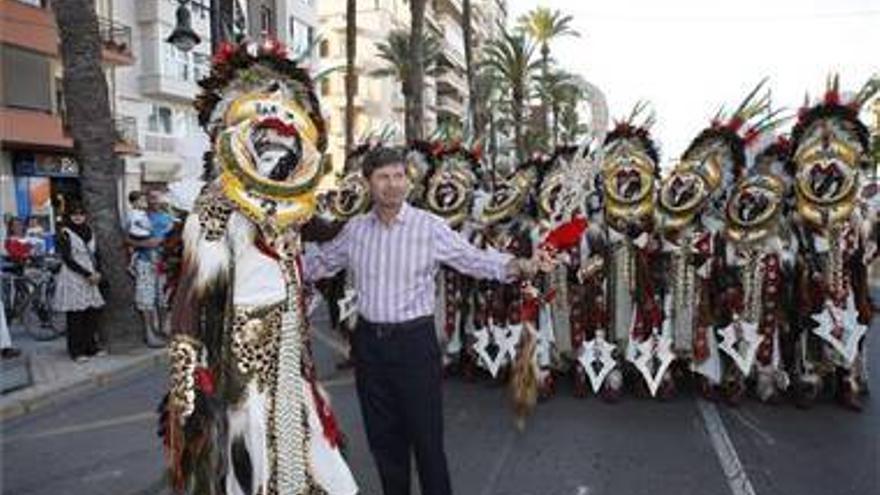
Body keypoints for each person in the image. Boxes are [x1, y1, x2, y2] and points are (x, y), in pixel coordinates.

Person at [303, 146, 553, 495]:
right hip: (369, 347)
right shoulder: (355, 230)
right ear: (369, 183)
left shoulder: (429, 227)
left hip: (414, 345)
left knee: (427, 442)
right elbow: (318, 265)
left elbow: (475, 261)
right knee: (383, 441)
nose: (392, 185)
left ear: (408, 180)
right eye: (383, 178)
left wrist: (519, 265)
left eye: (398, 176)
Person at [52, 204, 104, 363]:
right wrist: (87, 274)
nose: (78, 216)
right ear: (69, 216)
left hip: (91, 276)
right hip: (73, 276)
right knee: (75, 315)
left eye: (81, 213)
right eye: (74, 214)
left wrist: (97, 272)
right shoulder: (65, 233)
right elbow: (67, 259)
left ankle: (91, 347)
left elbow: (97, 254)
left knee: (91, 313)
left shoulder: (90, 231)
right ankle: (76, 351)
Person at [127, 190, 164, 347]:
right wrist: (145, 244)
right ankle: (149, 334)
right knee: (146, 299)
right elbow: (126, 238)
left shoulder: (167, 217)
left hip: (163, 263)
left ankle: (161, 330)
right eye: (150, 198)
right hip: (145, 261)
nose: (153, 201)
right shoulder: (134, 216)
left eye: (157, 197)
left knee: (162, 299)